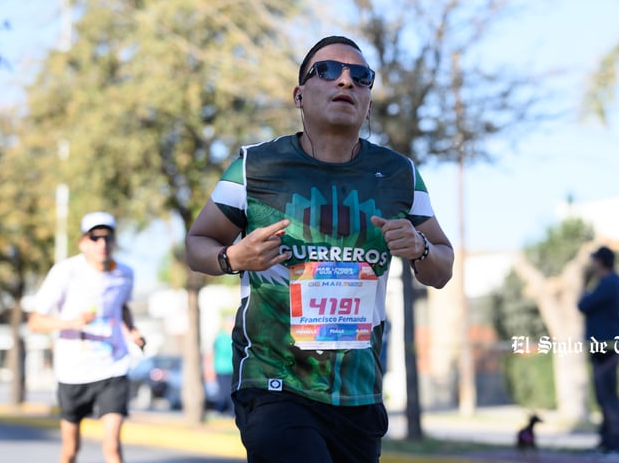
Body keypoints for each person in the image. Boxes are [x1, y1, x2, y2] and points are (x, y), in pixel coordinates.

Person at [185, 34, 454, 463]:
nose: (345, 81)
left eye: (361, 77)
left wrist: (420, 247)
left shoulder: (399, 174)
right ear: (299, 94)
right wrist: (232, 258)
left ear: (368, 101)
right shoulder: (256, 167)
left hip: (357, 389)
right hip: (274, 380)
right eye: (328, 71)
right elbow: (197, 242)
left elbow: (442, 266)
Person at [28, 211, 146, 463]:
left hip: (112, 367)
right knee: (70, 450)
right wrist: (72, 322)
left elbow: (122, 306)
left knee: (112, 446)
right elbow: (35, 322)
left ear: (114, 241)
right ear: (83, 242)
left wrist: (132, 330)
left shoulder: (125, 274)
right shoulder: (65, 272)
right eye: (95, 238)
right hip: (73, 371)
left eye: (107, 237)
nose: (102, 244)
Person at [577, 245, 619, 455]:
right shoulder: (610, 283)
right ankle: (607, 438)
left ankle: (614, 441)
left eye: (595, 260)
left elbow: (583, 304)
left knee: (607, 394)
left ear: (601, 262)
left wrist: (585, 288)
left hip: (606, 345)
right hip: (603, 343)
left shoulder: (609, 284)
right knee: (603, 393)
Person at [212, 318, 234, 414]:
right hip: (222, 369)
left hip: (234, 369)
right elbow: (215, 352)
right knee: (224, 391)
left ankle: (232, 411)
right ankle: (224, 410)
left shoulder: (236, 336)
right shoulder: (220, 338)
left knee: (233, 391)